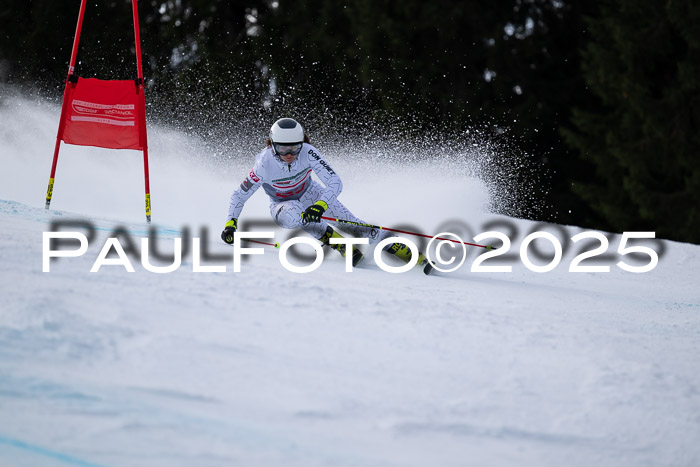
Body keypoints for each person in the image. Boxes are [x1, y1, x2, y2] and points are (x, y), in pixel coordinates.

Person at [221, 117, 427, 268]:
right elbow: (239, 195)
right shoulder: (264, 164)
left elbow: (335, 182)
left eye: (294, 148)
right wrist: (231, 223)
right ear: (272, 145)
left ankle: (403, 249)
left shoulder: (308, 152)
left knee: (350, 222)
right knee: (295, 215)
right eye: (283, 149)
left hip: (310, 191)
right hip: (281, 204)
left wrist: (320, 205)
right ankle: (336, 241)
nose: (289, 155)